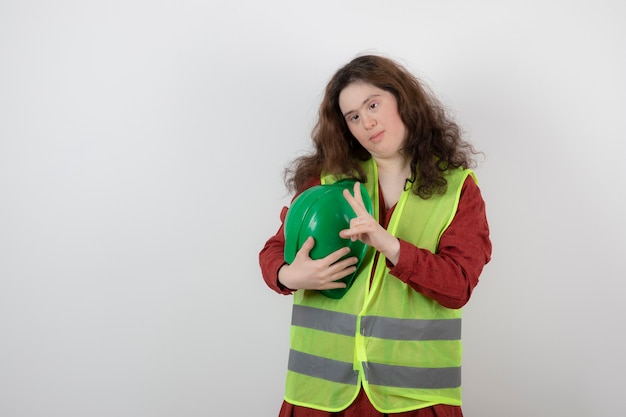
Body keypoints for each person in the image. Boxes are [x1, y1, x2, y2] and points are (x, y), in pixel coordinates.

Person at [259, 54, 492, 417]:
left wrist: (389, 244)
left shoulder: (457, 189)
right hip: (320, 398)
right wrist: (290, 275)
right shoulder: (327, 181)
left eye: (373, 104)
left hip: (415, 401)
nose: (366, 121)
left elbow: (458, 285)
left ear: (402, 99)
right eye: (353, 116)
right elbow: (275, 250)